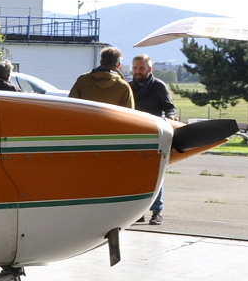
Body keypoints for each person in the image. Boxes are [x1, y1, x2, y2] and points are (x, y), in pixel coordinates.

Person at [131, 54, 177, 225]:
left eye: (141, 68)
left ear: (149, 69)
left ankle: (157, 211)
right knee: (137, 177)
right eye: (135, 68)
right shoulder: (128, 88)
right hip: (135, 136)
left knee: (155, 176)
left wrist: (172, 118)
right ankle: (139, 212)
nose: (137, 71)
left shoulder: (159, 87)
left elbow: (169, 108)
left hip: (155, 136)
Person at [69, 47, 134, 108]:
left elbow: (71, 105)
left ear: (101, 62)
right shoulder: (123, 86)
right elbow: (129, 113)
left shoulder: (82, 81)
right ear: (118, 65)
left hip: (85, 119)